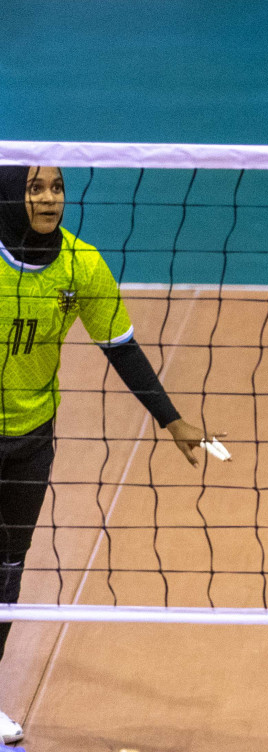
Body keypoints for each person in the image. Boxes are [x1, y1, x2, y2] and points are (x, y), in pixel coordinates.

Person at [0, 165, 215, 743]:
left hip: (29, 440)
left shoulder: (82, 266)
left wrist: (171, 421)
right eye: (34, 188)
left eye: (57, 188)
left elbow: (121, 348)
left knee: (7, 568)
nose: (49, 199)